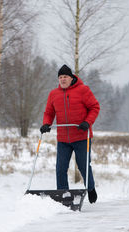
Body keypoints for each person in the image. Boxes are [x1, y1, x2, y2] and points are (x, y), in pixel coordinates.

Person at [40, 64, 100, 203]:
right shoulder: (54, 94)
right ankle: (63, 194)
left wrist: (87, 122)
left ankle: (90, 189)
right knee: (60, 167)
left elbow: (95, 107)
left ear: (71, 77)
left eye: (65, 77)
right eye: (60, 77)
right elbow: (49, 112)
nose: (62, 79)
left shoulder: (83, 90)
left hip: (81, 136)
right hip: (63, 139)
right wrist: (46, 123)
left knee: (83, 165)